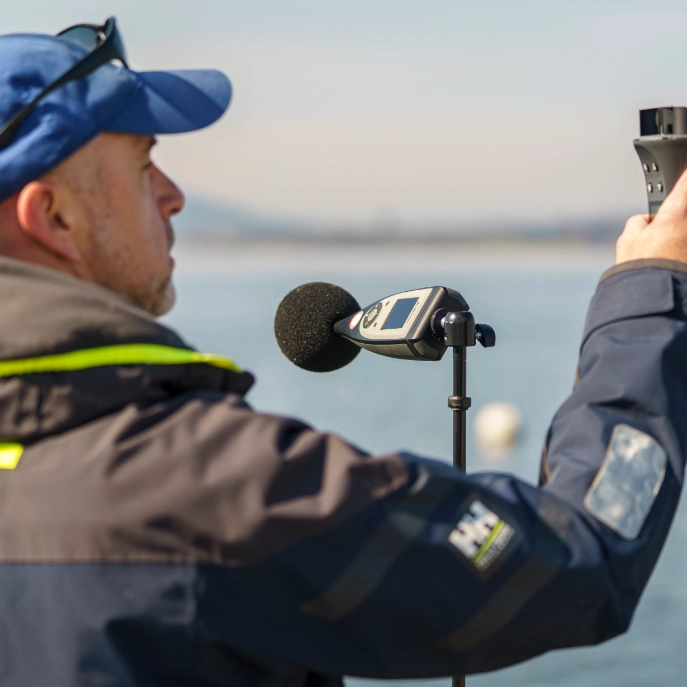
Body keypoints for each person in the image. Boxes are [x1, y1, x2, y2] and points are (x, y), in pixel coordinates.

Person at [0, 17, 684, 687]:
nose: (173, 195)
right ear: (53, 216)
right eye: (145, 165)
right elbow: (581, 555)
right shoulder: (198, 488)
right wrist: (652, 291)